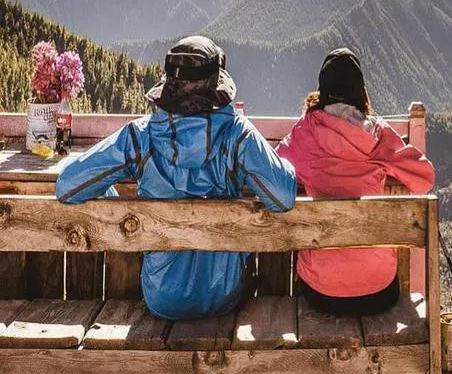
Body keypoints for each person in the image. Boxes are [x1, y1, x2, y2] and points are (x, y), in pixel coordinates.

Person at [55, 36, 296, 320]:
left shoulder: (140, 137)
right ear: (217, 85)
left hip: (162, 298)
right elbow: (282, 196)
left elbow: (68, 186)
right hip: (224, 296)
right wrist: (287, 163)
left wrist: (118, 208)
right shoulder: (237, 135)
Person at [277, 47, 435, 315]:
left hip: (320, 292)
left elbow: (275, 168)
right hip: (378, 291)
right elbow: (425, 178)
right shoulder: (378, 135)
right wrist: (389, 169)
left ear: (322, 90)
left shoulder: (306, 133)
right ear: (361, 91)